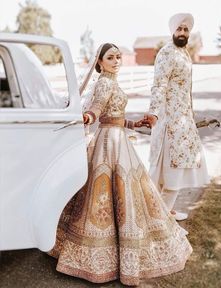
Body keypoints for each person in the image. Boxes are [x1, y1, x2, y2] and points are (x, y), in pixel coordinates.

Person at [49, 43, 192, 286]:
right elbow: (97, 109)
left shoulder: (112, 82)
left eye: (118, 57)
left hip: (118, 137)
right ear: (100, 62)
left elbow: (112, 115)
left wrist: (132, 124)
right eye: (111, 58)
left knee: (123, 191)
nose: (116, 61)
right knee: (108, 194)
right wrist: (88, 116)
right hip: (108, 143)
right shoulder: (104, 83)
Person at [144, 13, 210, 221]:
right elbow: (159, 84)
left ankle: (164, 213)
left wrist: (190, 116)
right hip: (168, 121)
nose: (182, 33)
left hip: (183, 120)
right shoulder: (167, 53)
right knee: (167, 171)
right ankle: (157, 218)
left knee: (179, 168)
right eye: (179, 29)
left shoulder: (184, 54)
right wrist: (154, 112)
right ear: (172, 31)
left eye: (186, 30)